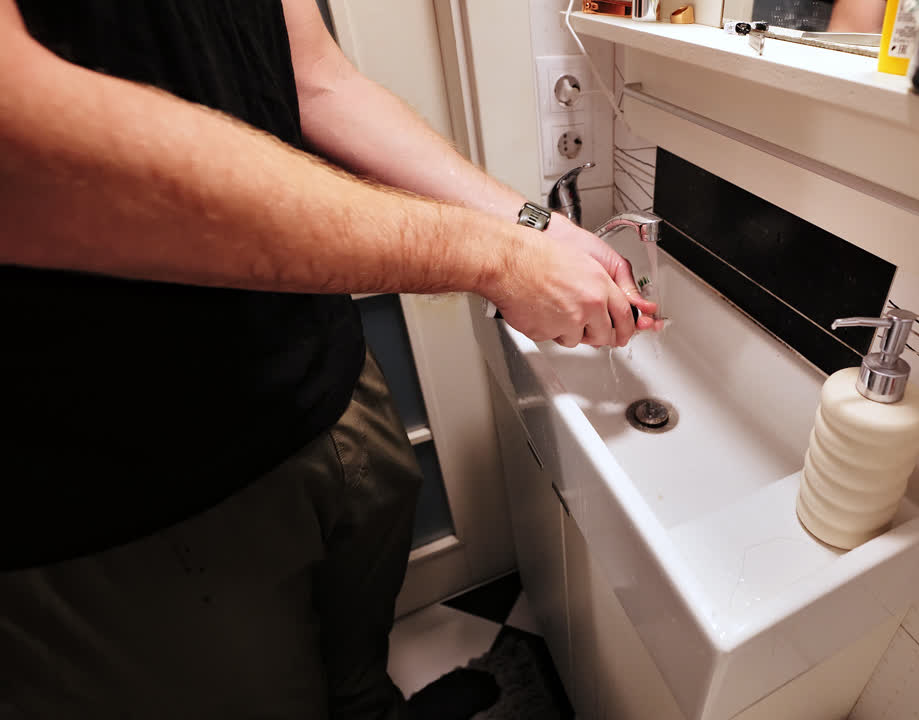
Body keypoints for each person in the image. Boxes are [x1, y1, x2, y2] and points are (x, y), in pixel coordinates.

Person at [0, 1, 657, 718]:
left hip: (328, 385)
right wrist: (497, 257)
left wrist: (534, 228)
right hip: (126, 470)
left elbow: (319, 83)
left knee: (356, 646)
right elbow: (18, 150)